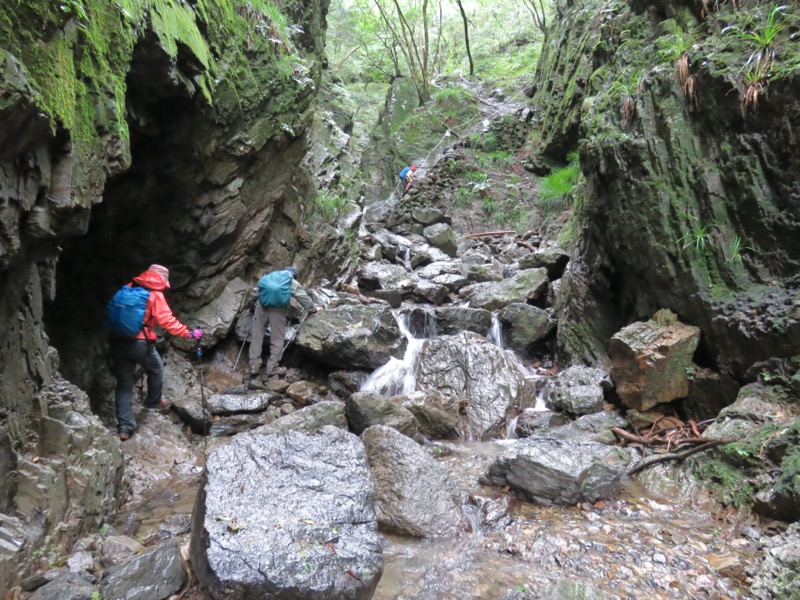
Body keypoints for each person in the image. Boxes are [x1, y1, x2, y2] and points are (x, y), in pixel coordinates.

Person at [108, 264, 202, 441]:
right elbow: (167, 320)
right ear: (161, 280)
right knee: (156, 368)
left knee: (124, 385)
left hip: (118, 341)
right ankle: (153, 401)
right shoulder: (155, 295)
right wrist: (188, 333)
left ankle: (124, 428)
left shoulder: (128, 288)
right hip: (140, 344)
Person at [248, 266, 320, 383]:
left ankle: (253, 366)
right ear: (294, 275)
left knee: (256, 336)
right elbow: (302, 297)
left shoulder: (269, 277)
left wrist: (251, 305)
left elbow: (256, 291)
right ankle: (272, 368)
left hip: (260, 307)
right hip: (278, 311)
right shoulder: (290, 281)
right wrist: (312, 309)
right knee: (277, 338)